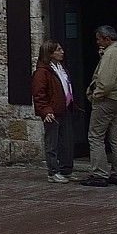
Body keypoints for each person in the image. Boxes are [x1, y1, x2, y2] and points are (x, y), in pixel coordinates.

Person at [84, 25, 117, 186]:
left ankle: (99, 174)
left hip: (108, 99)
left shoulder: (111, 54)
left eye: (99, 39)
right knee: (116, 137)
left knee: (95, 136)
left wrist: (96, 95)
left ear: (107, 38)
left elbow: (106, 82)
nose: (97, 42)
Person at [31, 39, 77, 184]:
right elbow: (39, 94)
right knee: (52, 143)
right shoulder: (42, 72)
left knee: (66, 141)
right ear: (50, 53)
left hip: (64, 109)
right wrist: (45, 110)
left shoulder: (60, 68)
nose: (62, 52)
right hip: (52, 111)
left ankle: (66, 170)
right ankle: (53, 172)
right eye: (58, 50)